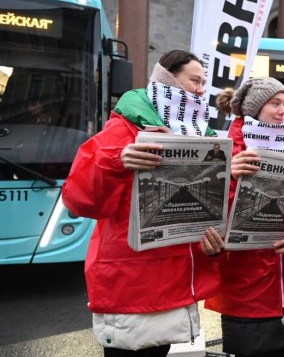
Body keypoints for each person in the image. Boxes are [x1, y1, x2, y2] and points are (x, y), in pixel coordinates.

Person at [61, 50, 225, 357]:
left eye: (205, 83)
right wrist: (116, 161)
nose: (202, 91)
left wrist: (214, 243)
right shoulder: (123, 128)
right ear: (168, 79)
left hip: (175, 280)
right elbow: (77, 198)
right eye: (195, 81)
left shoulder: (205, 136)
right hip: (131, 282)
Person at [204, 77, 284, 357]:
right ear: (255, 109)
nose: (283, 111)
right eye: (275, 104)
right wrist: (230, 176)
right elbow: (210, 208)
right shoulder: (223, 150)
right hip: (243, 289)